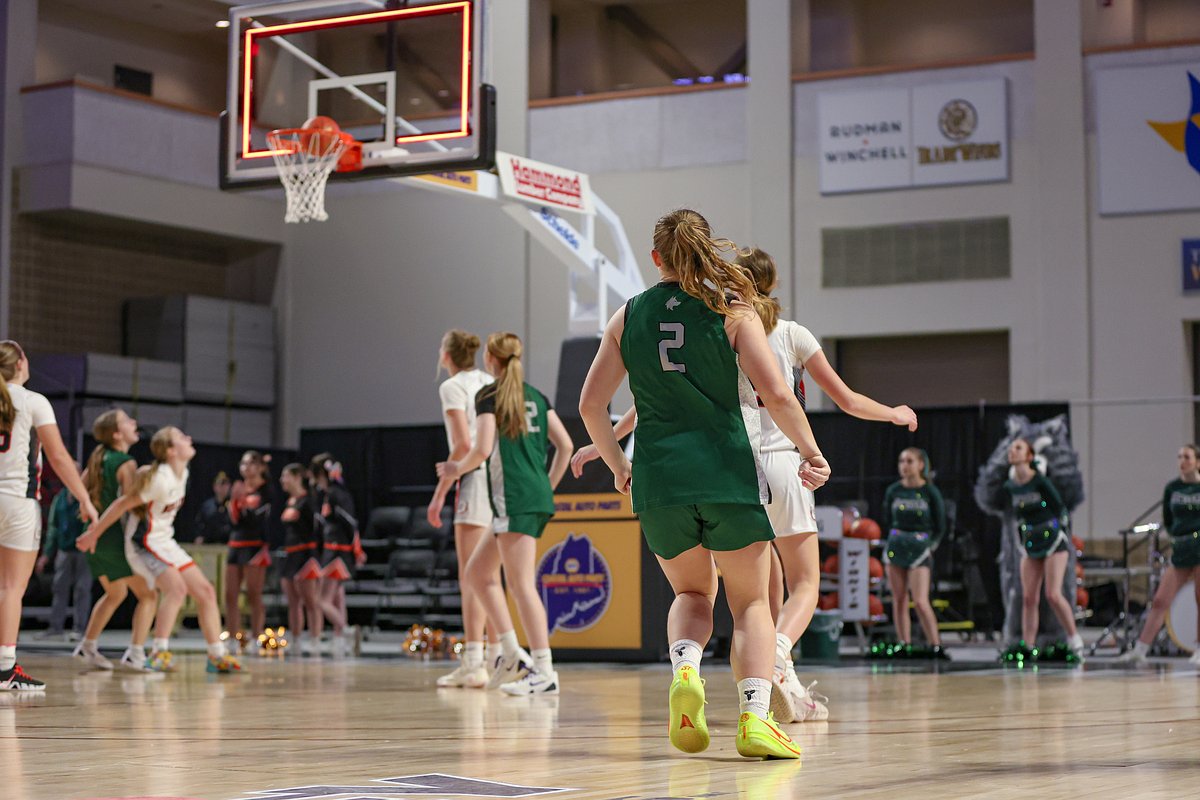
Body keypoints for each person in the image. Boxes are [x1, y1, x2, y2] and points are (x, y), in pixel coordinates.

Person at [575, 209, 828, 759]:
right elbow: (779, 396)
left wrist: (619, 464)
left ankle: (685, 669)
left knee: (691, 594)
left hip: (660, 479)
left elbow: (590, 405)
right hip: (727, 473)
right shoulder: (732, 312)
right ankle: (755, 719)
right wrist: (811, 451)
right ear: (705, 250)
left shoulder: (627, 315)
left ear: (656, 258)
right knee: (751, 605)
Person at [437, 332, 573, 695]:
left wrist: (454, 469)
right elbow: (566, 445)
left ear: (491, 361)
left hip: (513, 497)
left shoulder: (490, 396)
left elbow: (480, 450)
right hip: (530, 494)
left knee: (521, 585)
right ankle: (512, 653)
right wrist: (548, 484)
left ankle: (544, 669)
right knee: (478, 573)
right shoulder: (535, 396)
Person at [78, 426, 243, 674]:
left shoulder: (183, 472)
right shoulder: (160, 479)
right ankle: (159, 651)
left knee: (206, 592)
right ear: (170, 450)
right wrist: (94, 533)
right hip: (143, 544)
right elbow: (121, 504)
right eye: (181, 437)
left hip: (165, 542)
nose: (189, 437)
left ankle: (216, 654)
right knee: (175, 589)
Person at [0, 340, 98, 690]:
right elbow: (58, 457)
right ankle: (5, 667)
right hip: (18, 502)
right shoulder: (33, 401)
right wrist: (84, 498)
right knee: (11, 588)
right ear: (21, 364)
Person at [427, 329, 515, 689]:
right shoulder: (486, 379)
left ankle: (475, 660)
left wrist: (439, 492)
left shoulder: (452, 387)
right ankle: (496, 656)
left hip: (474, 478)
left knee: (472, 577)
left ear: (446, 356)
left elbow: (463, 443)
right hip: (501, 478)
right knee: (490, 575)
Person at [73, 409, 159, 671]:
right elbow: (132, 505)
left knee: (115, 593)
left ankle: (87, 646)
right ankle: (135, 653)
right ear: (117, 433)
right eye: (128, 420)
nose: (135, 422)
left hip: (93, 533)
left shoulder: (98, 458)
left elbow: (77, 488)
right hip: (111, 537)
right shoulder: (126, 462)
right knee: (149, 595)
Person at [992, 437, 1083, 658]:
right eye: (1012, 448)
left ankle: (1074, 639)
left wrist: (1059, 532)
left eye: (1019, 448)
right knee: (1028, 598)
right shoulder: (1010, 486)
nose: (1013, 451)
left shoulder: (1040, 482)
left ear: (1030, 456)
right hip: (1030, 542)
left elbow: (1060, 509)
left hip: (1053, 541)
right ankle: (1028, 646)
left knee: (1052, 594)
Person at [1118, 444, 1200, 665]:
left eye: (1187, 457)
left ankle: (1199, 648)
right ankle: (1141, 648)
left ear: (1197, 462)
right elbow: (1168, 518)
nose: (1182, 460)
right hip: (1181, 548)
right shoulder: (1172, 488)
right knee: (1160, 599)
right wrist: (1175, 535)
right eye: (1180, 456)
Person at [882, 447, 947, 656]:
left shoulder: (930, 492)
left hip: (920, 548)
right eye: (902, 461)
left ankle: (935, 644)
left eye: (909, 461)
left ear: (921, 464)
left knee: (919, 599)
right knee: (899, 598)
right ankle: (904, 643)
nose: (904, 465)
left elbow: (941, 525)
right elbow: (886, 518)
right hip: (896, 546)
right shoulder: (893, 491)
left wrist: (931, 545)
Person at [310, 454, 364, 655]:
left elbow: (350, 523)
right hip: (333, 550)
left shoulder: (336, 494)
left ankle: (347, 631)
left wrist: (356, 549)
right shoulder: (327, 494)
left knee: (321, 600)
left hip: (337, 552)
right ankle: (339, 639)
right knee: (336, 598)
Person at [278, 463, 327, 656]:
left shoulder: (309, 501)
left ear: (298, 477)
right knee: (292, 600)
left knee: (310, 600)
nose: (283, 480)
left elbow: (319, 528)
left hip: (307, 554)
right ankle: (296, 639)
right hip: (291, 554)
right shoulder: (290, 500)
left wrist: (318, 556)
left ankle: (315, 639)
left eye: (286, 476)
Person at [225, 451, 272, 642]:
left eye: (251, 463)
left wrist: (242, 500)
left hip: (255, 545)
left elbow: (258, 519)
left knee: (253, 594)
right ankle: (233, 638)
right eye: (243, 463)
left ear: (261, 467)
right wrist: (235, 501)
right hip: (236, 543)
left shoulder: (266, 490)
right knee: (230, 595)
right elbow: (233, 520)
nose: (246, 467)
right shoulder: (238, 488)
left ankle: (256, 636)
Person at [35, 485, 92, 641]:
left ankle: (80, 629)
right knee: (59, 588)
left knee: (82, 589)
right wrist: (46, 554)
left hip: (83, 551)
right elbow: (54, 527)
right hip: (64, 549)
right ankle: (55, 627)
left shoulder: (87, 496)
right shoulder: (59, 498)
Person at [192, 472, 232, 545]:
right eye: (220, 484)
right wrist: (199, 536)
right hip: (209, 545)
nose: (223, 487)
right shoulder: (207, 506)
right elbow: (199, 524)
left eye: (226, 484)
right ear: (214, 486)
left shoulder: (234, 505)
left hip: (228, 544)